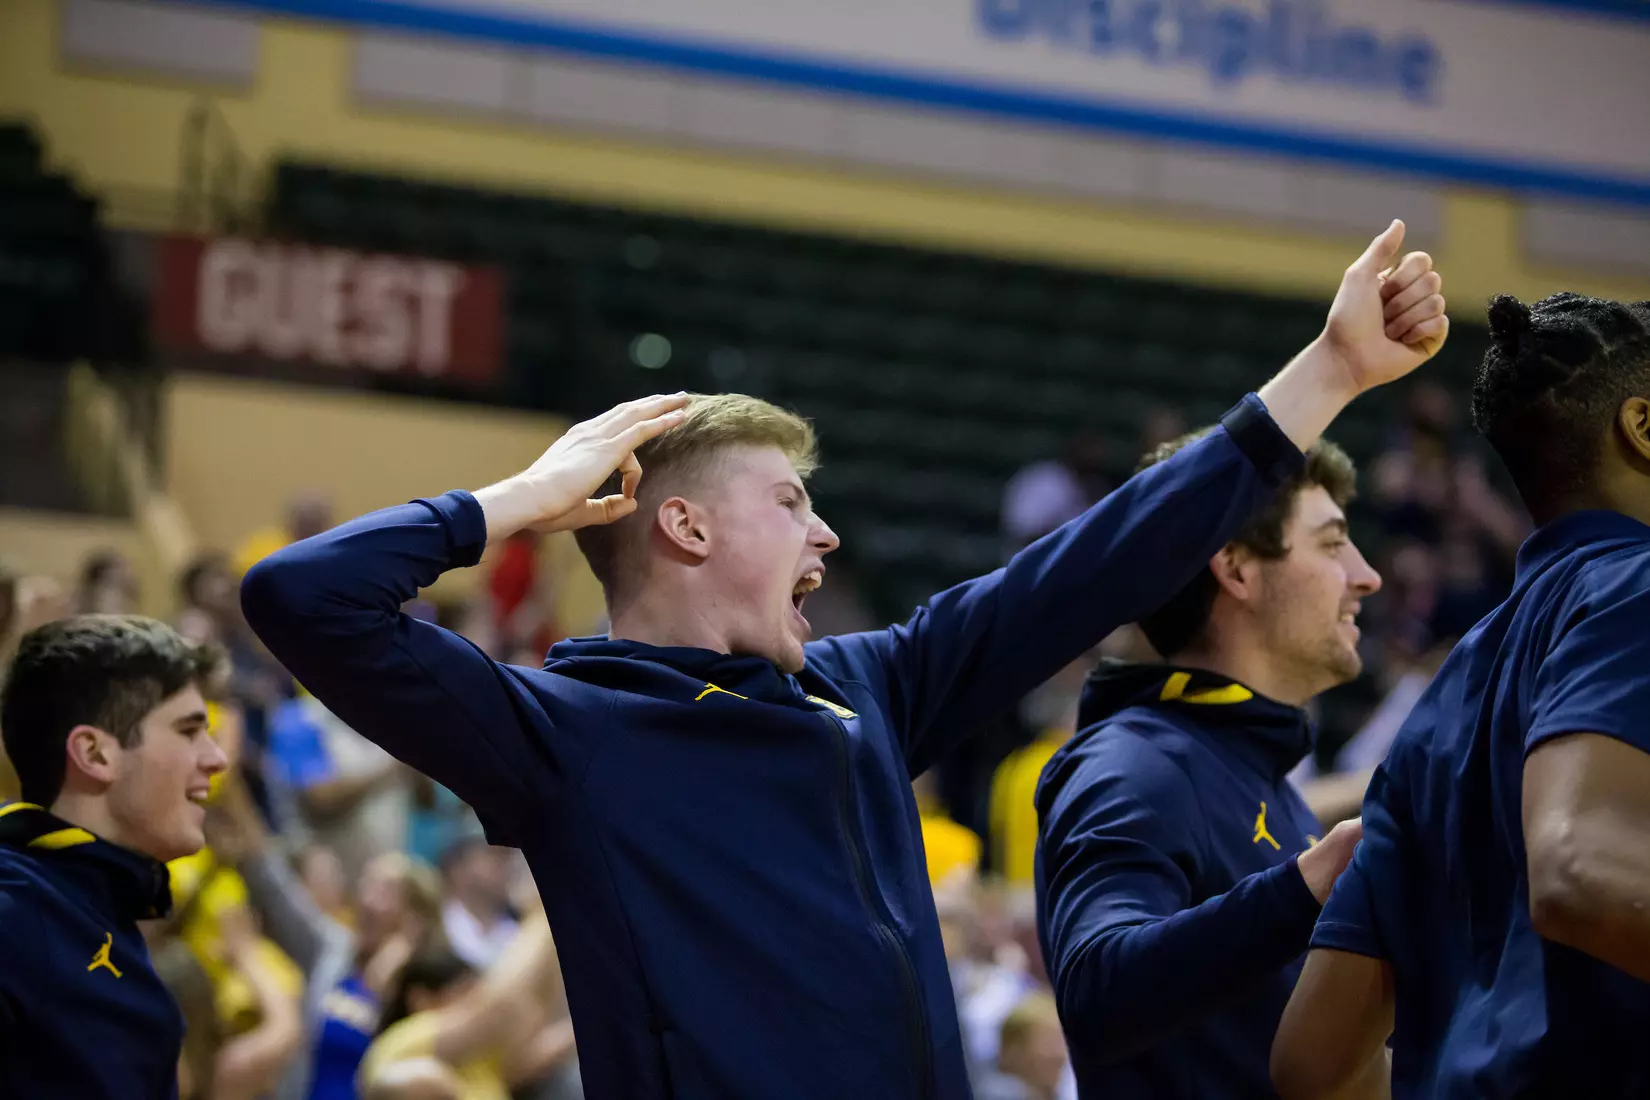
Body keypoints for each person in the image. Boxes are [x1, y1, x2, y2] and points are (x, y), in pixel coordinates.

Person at [241, 221, 1448, 1099]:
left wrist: (1330, 372)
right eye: (789, 502)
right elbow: (300, 596)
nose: (824, 535)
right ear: (685, 526)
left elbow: (1089, 564)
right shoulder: (560, 732)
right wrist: (518, 499)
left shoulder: (868, 685)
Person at [1270, 293, 1650, 1099]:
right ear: (1642, 427)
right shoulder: (1638, 588)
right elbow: (1578, 872)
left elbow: (1311, 1062)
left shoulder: (1446, 691)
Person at [1034, 426, 1382, 1098]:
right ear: (1237, 568)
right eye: (1333, 543)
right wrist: (1313, 882)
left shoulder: (1260, 780)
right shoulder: (1136, 761)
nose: (1366, 576)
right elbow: (1095, 989)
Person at [0, 614, 229, 1099]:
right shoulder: (12, 910)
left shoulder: (93, 903)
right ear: (95, 753)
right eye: (189, 731)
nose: (216, 758)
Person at [439, 836, 520, 970]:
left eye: (507, 859)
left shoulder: (518, 927)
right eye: (493, 856)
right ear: (458, 869)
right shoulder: (436, 926)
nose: (506, 866)